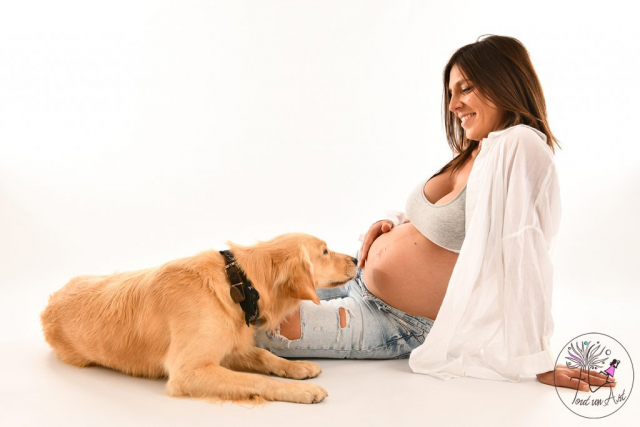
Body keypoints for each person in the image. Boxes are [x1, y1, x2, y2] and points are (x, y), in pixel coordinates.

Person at [254, 35, 614, 392]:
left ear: (504, 82)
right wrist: (392, 223)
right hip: (354, 276)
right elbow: (448, 219)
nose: (454, 105)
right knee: (237, 288)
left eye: (466, 89)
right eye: (450, 93)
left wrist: (538, 360)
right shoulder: (479, 151)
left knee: (253, 327)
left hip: (393, 319)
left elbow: (525, 252)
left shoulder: (520, 146)